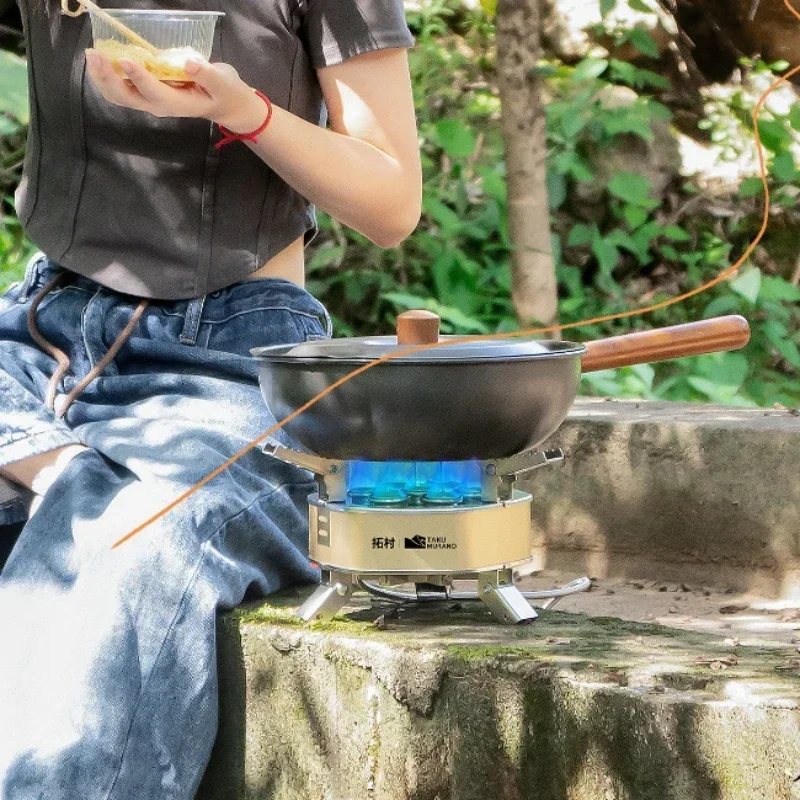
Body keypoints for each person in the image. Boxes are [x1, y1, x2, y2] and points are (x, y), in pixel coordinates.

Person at [0, 0, 421, 795]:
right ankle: (68, 473)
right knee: (102, 509)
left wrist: (243, 110)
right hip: (38, 331)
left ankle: (74, 480)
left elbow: (392, 203)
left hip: (226, 358)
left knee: (145, 540)